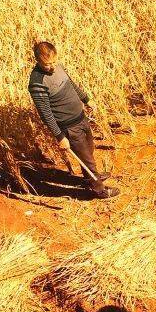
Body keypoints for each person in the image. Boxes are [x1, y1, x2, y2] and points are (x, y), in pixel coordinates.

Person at [27, 41, 118, 199]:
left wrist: (86, 99)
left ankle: (91, 176)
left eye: (54, 61)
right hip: (69, 127)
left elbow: (72, 85)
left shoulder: (59, 67)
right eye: (48, 64)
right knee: (86, 157)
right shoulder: (37, 83)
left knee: (88, 149)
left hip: (80, 117)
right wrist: (60, 136)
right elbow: (46, 114)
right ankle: (98, 190)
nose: (53, 67)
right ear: (38, 61)